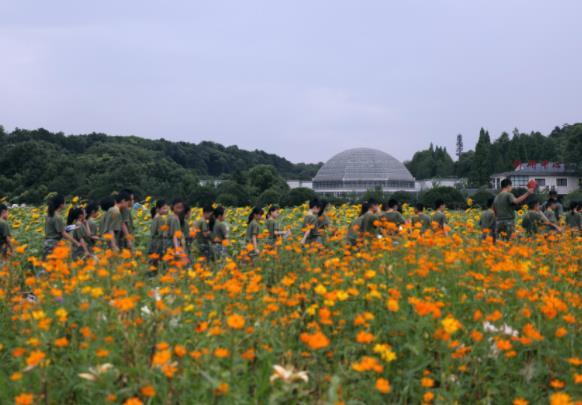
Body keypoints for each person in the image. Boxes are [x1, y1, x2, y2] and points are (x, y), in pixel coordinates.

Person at [147, 199, 171, 268]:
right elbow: (162, 233)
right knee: (155, 263)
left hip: (154, 243)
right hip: (157, 244)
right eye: (164, 208)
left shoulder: (156, 217)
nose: (166, 210)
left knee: (153, 263)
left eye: (166, 208)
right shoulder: (159, 219)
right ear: (158, 209)